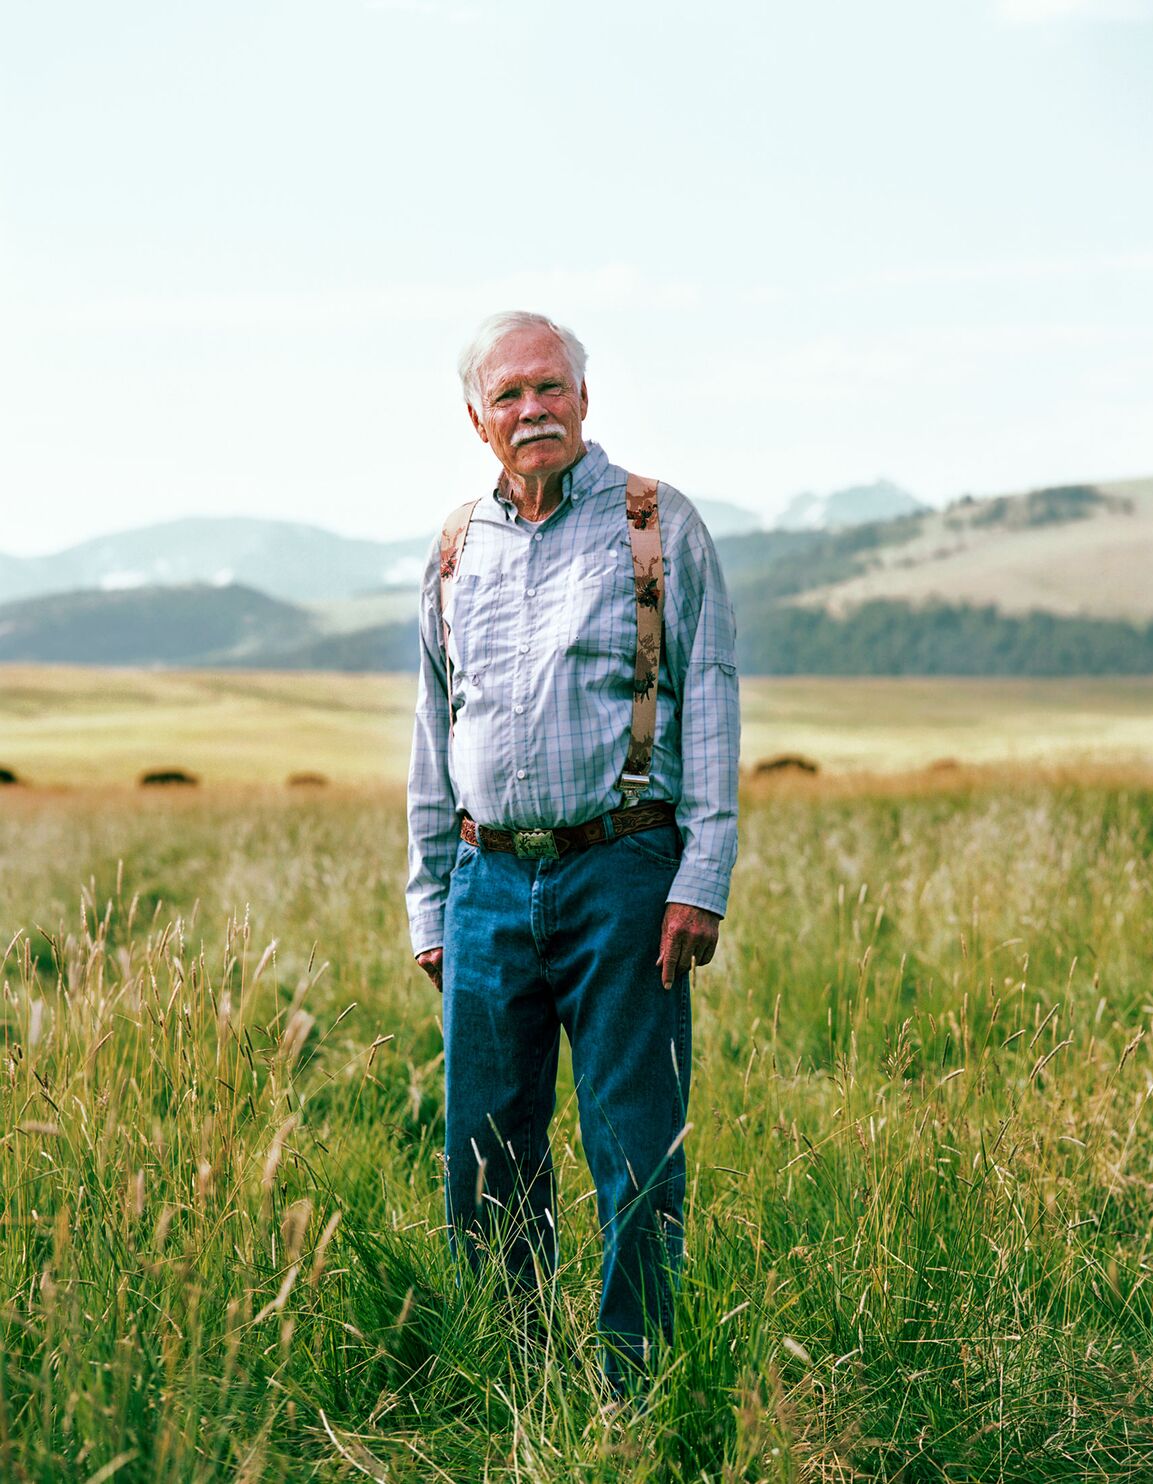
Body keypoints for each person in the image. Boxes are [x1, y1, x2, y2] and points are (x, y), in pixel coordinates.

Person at [405, 309, 739, 1392]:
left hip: (625, 870)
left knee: (634, 1147)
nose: (532, 409)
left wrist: (703, 874)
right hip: (486, 879)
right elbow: (433, 730)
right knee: (486, 1156)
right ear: (476, 419)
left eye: (549, 387)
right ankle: (514, 1376)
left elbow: (715, 705)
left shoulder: (657, 524)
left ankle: (635, 1387)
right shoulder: (457, 547)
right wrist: (429, 900)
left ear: (584, 399)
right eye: (508, 395)